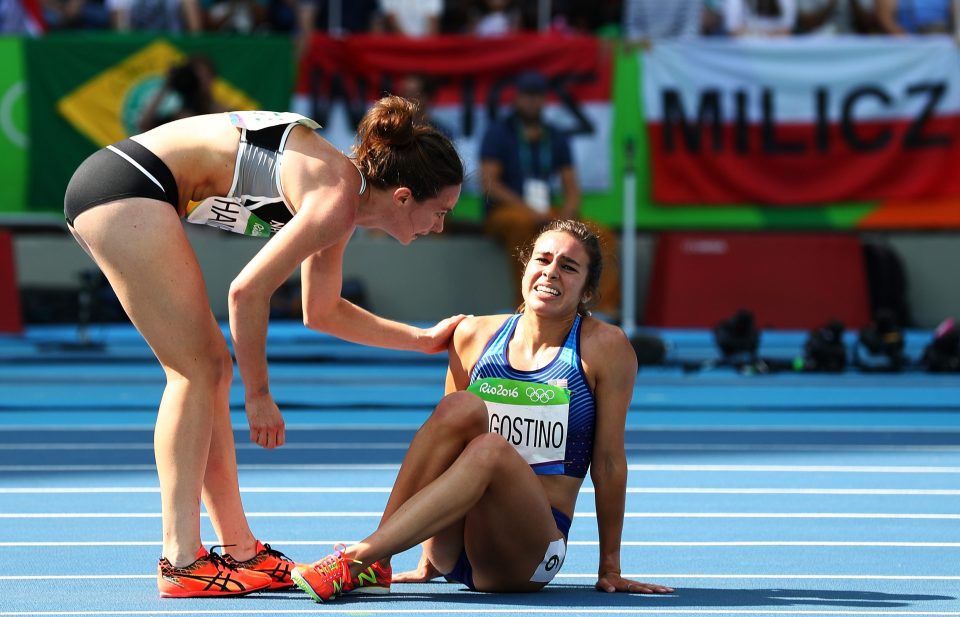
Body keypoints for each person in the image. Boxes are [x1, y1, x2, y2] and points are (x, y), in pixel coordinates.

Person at [62, 97, 465, 598]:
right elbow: (246, 292)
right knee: (198, 369)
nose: (440, 226)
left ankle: (241, 551)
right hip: (126, 185)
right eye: (441, 211)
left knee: (207, 368)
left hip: (127, 185)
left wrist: (422, 340)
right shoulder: (336, 200)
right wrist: (259, 395)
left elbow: (322, 311)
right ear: (403, 197)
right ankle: (181, 560)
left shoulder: (343, 199)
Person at [290, 219, 675, 602]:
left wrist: (610, 568)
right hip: (452, 548)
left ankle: (361, 557)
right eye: (542, 260)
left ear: (588, 291)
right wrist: (427, 561)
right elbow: (442, 445)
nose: (551, 272)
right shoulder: (474, 335)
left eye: (568, 267)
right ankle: (380, 555)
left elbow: (608, 462)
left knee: (490, 449)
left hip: (528, 554)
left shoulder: (605, 347)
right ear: (525, 269)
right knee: (459, 407)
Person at [479, 70, 620, 318]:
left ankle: (600, 310)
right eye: (527, 96)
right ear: (517, 98)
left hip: (546, 211)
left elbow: (572, 187)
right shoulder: (499, 132)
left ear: (544, 100)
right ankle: (525, 307)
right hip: (509, 212)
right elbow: (490, 184)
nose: (532, 102)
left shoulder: (555, 135)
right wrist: (528, 210)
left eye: (538, 96)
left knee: (601, 236)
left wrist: (566, 215)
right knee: (522, 226)